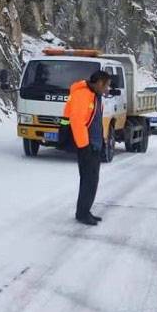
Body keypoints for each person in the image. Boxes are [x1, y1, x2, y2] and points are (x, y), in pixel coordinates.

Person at [64, 69, 112, 226]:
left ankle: (85, 210)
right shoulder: (83, 95)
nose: (107, 89)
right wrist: (84, 147)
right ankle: (82, 213)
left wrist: (102, 142)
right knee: (88, 180)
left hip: (94, 144)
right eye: (106, 86)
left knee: (91, 180)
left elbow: (95, 121)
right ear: (99, 83)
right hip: (87, 145)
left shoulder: (95, 95)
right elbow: (77, 122)